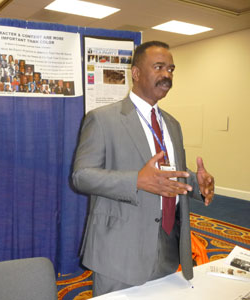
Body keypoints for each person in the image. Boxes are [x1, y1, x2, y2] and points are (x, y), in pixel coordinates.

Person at [72, 41, 214, 297]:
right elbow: (81, 177)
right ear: (135, 73)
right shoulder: (102, 119)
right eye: (159, 67)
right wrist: (135, 180)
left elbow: (168, 173)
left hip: (168, 247)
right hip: (120, 251)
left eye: (171, 69)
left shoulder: (172, 124)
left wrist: (196, 184)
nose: (167, 75)